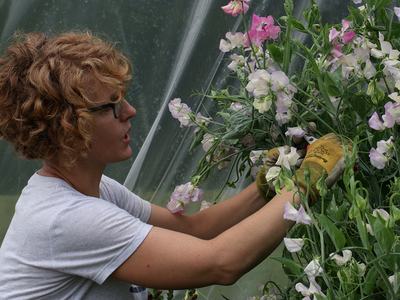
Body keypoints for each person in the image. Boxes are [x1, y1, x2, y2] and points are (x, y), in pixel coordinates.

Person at [0, 31, 347, 299]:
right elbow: (221, 262)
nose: (130, 112)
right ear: (67, 126)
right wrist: (305, 183)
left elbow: (195, 229)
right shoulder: (66, 219)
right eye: (112, 106)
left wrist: (264, 190)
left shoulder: (95, 191)